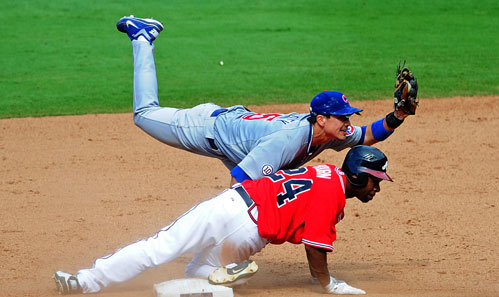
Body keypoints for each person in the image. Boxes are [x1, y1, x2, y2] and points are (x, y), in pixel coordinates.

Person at [53, 145, 393, 295]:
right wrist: (327, 284)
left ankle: (84, 282)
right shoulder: (332, 193)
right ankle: (223, 277)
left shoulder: (326, 173)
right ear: (360, 175)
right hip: (250, 234)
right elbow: (315, 247)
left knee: (159, 249)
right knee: (194, 271)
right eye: (375, 180)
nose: (377, 187)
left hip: (233, 209)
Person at [115, 15, 413, 185]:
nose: (348, 123)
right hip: (205, 128)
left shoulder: (327, 133)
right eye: (343, 117)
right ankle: (142, 37)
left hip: (238, 140)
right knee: (143, 114)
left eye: (348, 117)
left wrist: (398, 115)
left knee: (262, 193)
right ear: (322, 119)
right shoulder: (287, 140)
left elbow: (369, 134)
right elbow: (240, 180)